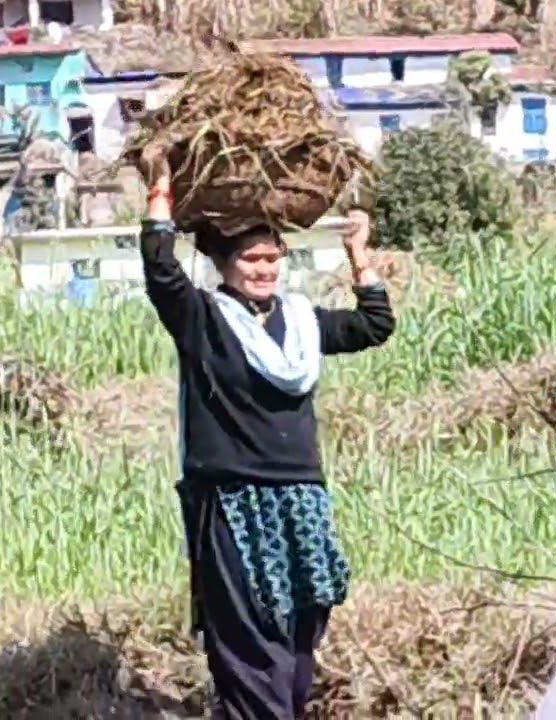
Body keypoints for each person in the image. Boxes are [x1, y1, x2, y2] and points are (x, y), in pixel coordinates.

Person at [139, 158, 395, 720]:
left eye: (273, 259)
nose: (264, 269)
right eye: (251, 259)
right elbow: (161, 271)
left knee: (300, 638)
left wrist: (359, 257)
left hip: (300, 501)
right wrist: (161, 188)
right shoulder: (203, 319)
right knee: (250, 645)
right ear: (225, 265)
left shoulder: (302, 323)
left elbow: (373, 326)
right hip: (233, 503)